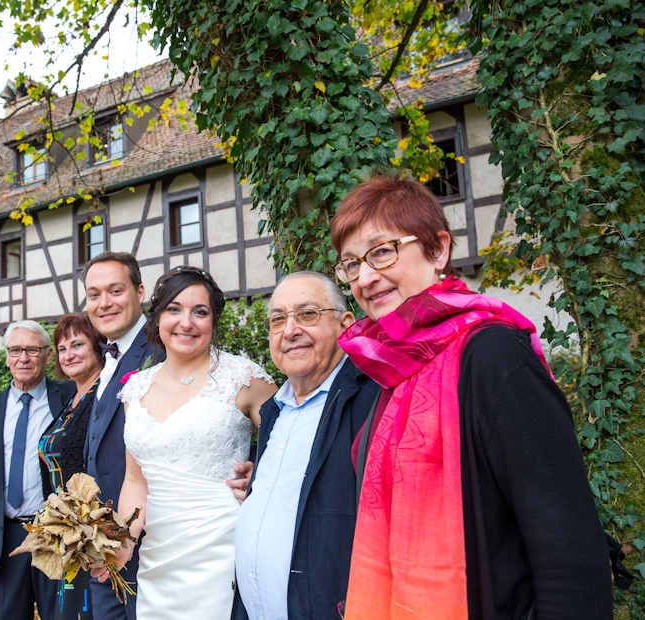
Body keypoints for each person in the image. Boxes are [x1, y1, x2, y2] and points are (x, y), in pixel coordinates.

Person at [330, 173, 612, 620]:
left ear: (438, 250)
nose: (365, 277)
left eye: (382, 251)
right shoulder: (393, 370)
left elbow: (568, 553)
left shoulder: (494, 355)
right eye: (350, 264)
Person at [95, 266, 277, 620]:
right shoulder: (135, 389)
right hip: (159, 558)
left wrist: (260, 475)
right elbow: (136, 480)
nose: (186, 322)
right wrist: (123, 541)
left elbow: (291, 449)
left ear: (214, 320)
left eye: (200, 312)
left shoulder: (244, 378)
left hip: (224, 549)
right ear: (158, 317)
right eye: (174, 309)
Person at [230, 271, 380, 620]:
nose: (290, 330)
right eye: (278, 320)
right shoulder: (274, 412)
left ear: (345, 324)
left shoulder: (373, 402)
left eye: (308, 314)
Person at [0, 320, 77, 620]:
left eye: (32, 350)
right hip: (6, 540)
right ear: (7, 357)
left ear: (48, 356)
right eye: (15, 350)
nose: (23, 358)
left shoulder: (72, 397)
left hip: (57, 535)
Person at [82, 251, 161, 620]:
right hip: (104, 547)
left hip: (149, 543)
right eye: (94, 294)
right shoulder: (107, 359)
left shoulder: (161, 350)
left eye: (115, 290)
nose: (104, 303)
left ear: (139, 292)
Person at [38, 313, 107, 620]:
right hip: (67, 538)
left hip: (94, 539)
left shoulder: (104, 397)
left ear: (99, 346)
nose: (69, 355)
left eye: (77, 345)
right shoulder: (72, 400)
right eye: (62, 349)